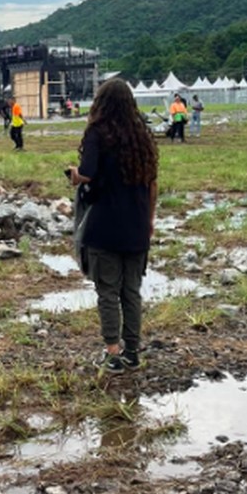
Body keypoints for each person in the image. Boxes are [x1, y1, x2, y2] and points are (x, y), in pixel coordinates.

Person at [67, 78, 158, 375]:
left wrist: (73, 174)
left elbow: (88, 174)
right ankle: (133, 353)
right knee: (131, 291)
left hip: (104, 226)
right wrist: (150, 220)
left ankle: (112, 354)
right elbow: (153, 184)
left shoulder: (97, 133)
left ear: (100, 103)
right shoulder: (142, 135)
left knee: (108, 291)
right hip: (136, 225)